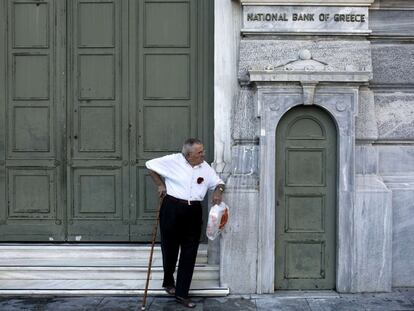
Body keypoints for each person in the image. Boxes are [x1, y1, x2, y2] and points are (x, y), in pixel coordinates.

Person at [145, 138, 225, 308]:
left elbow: (218, 182)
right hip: (172, 207)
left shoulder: (205, 167)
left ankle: (182, 293)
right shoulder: (173, 160)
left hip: (194, 211)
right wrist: (160, 184)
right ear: (188, 155)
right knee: (170, 248)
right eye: (200, 152)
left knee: (190, 251)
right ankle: (168, 281)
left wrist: (218, 191)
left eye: (202, 151)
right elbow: (149, 165)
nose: (203, 154)